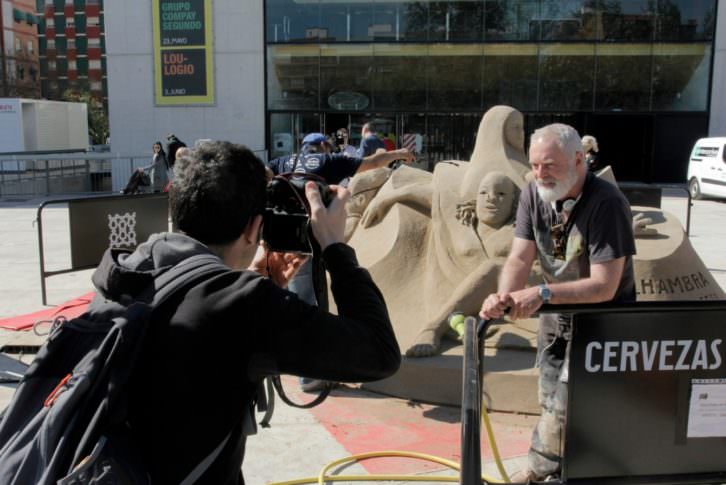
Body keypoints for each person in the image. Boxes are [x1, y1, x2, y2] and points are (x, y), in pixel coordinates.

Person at [90, 141, 401, 484]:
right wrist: (335, 247)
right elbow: (380, 353)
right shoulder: (244, 306)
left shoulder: (127, 270)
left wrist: (252, 284)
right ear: (255, 228)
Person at [480, 123, 636, 482]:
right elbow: (520, 257)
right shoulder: (533, 194)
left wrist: (542, 293)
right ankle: (561, 472)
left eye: (549, 165)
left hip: (601, 324)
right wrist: (505, 296)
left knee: (566, 409)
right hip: (556, 319)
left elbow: (604, 285)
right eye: (534, 166)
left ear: (579, 159)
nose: (539, 174)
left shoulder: (607, 203)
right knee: (550, 398)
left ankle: (538, 472)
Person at [267, 132, 414, 391]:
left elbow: (264, 177)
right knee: (311, 307)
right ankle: (311, 377)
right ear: (323, 146)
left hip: (283, 244)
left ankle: (305, 370)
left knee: (294, 301)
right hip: (314, 241)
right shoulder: (329, 160)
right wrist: (398, 154)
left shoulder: (284, 163)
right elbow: (371, 162)